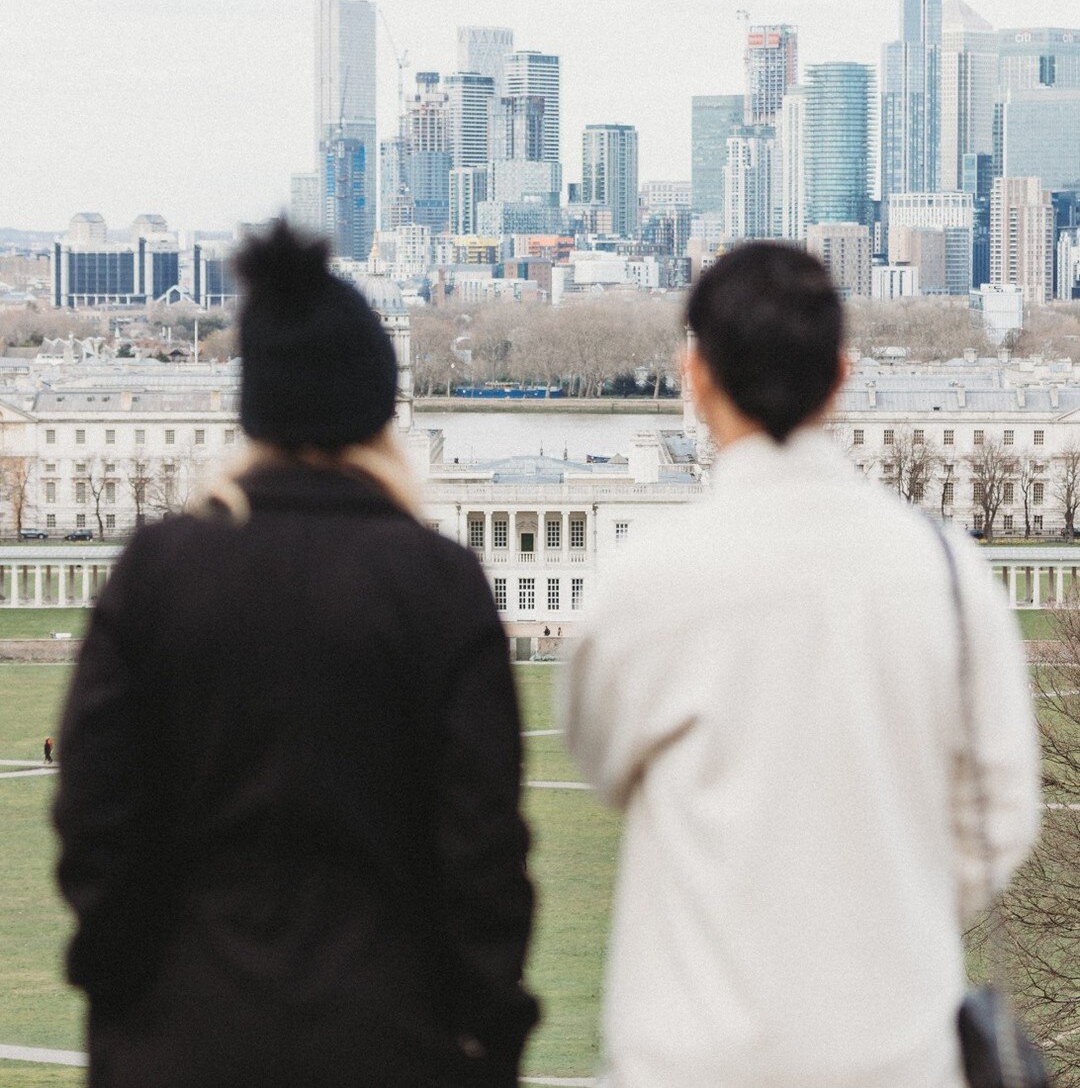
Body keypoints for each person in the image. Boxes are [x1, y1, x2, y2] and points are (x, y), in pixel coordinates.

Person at [54, 222, 538, 1088]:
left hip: (181, 1035)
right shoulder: (438, 583)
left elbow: (96, 823)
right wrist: (486, 1036)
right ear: (379, 411)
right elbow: (485, 853)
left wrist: (123, 994)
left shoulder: (160, 571)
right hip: (392, 1038)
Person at [562, 241, 1041, 1088]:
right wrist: (889, 906)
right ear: (842, 377)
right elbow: (1001, 813)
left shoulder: (646, 578)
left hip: (689, 1055)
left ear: (694, 376)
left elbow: (600, 764)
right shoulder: (947, 571)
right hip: (894, 1051)